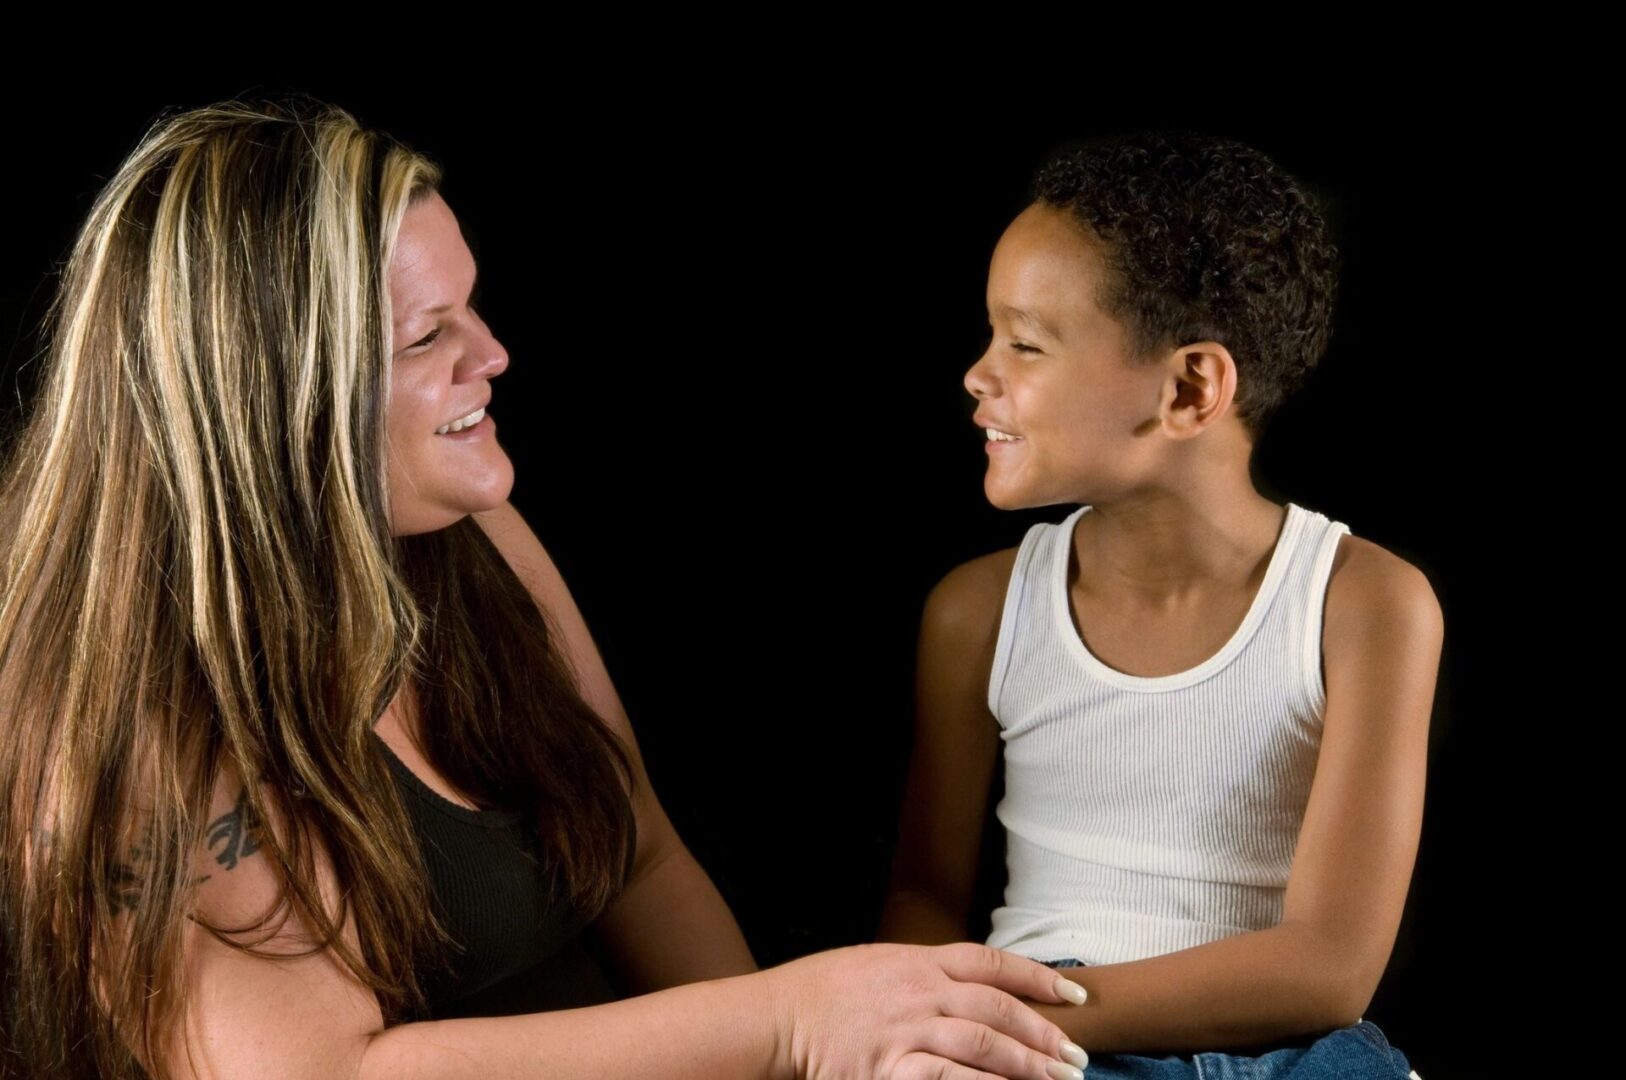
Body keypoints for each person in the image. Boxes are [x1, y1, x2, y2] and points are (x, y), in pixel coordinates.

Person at [0, 95, 1094, 1080]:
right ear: (279, 402)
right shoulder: (132, 713)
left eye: (469, 308)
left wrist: (815, 1064)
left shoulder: (469, 535)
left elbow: (637, 855)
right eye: (430, 337)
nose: (495, 354)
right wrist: (789, 1024)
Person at [877, 131, 1441, 1079]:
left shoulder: (1366, 604)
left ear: (1189, 388)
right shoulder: (978, 613)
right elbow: (927, 897)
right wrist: (950, 1027)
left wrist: (1015, 1013)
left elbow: (1330, 969)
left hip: (1288, 1054)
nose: (979, 374)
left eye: (1024, 342)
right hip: (1040, 1039)